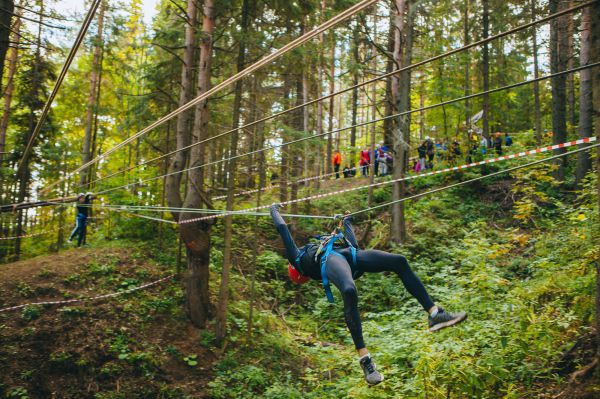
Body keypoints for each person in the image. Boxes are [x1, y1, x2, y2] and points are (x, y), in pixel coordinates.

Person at [270, 204, 467, 386]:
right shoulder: (297, 259)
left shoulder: (315, 249)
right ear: (297, 272)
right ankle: (365, 359)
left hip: (351, 256)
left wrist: (346, 222)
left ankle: (434, 314)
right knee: (348, 290)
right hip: (332, 260)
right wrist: (273, 210)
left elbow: (353, 245)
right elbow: (283, 230)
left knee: (399, 261)